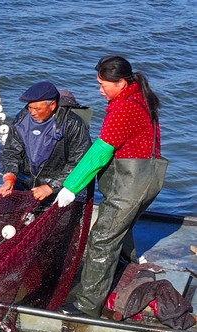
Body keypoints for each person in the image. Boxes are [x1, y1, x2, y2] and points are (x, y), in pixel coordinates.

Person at [54, 55, 167, 318]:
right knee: (120, 227)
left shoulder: (124, 109)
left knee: (102, 238)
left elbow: (100, 152)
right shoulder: (140, 97)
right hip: (148, 180)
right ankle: (124, 266)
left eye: (103, 84)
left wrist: (71, 186)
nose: (100, 90)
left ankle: (86, 305)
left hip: (130, 185)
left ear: (121, 83)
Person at [0, 81, 91, 203]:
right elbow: (12, 150)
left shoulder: (73, 124)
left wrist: (51, 187)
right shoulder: (22, 119)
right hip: (26, 183)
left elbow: (78, 161)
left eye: (37, 109)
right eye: (30, 107)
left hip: (57, 187)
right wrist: (9, 178)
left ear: (52, 105)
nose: (32, 112)